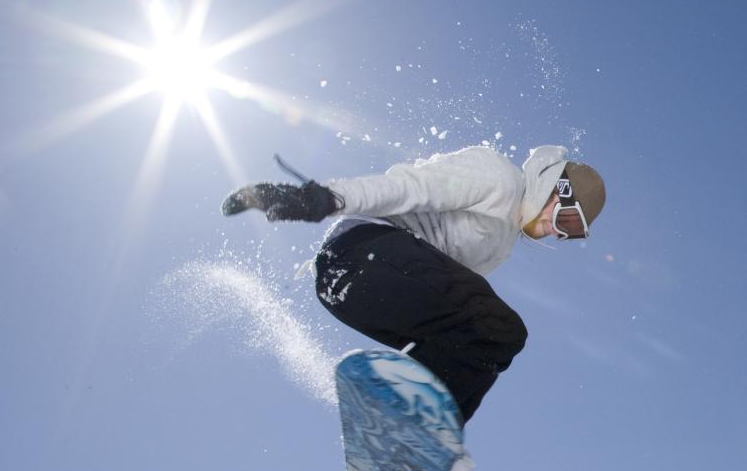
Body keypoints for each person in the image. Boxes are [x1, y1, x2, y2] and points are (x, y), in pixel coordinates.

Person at [220, 143, 605, 450]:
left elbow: (453, 316)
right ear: (556, 185)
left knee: (488, 345)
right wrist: (324, 199)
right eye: (566, 219)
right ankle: (411, 430)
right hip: (360, 253)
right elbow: (409, 187)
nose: (557, 233)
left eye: (570, 233)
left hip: (357, 289)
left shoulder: (500, 246)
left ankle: (413, 453)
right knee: (500, 329)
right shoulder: (498, 176)